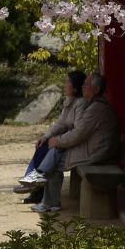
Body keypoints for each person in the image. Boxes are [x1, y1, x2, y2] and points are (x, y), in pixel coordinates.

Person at [31, 72, 121, 214]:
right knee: (55, 150)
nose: (83, 87)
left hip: (96, 153)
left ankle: (47, 194)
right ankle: (43, 183)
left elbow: (78, 134)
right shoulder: (92, 105)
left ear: (96, 90)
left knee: (55, 158)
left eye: (86, 85)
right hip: (92, 148)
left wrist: (58, 141)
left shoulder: (95, 109)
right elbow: (69, 127)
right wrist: (55, 139)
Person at [14, 70, 86, 203]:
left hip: (74, 143)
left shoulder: (80, 104)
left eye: (67, 82)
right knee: (42, 145)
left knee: (51, 152)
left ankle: (34, 185)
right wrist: (46, 136)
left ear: (75, 87)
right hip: (67, 139)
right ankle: (33, 184)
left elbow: (78, 131)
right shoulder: (69, 101)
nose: (64, 85)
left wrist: (58, 140)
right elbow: (61, 122)